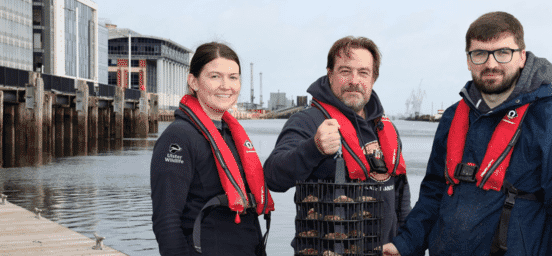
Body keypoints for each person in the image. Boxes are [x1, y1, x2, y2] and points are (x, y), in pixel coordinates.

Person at [383, 11, 552, 256]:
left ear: (522, 58)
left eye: (503, 52)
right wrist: (404, 245)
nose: (491, 64)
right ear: (468, 60)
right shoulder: (453, 117)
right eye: (480, 53)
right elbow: (433, 194)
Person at [264, 36, 411, 250]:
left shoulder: (385, 128)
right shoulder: (308, 121)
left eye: (363, 72)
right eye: (345, 71)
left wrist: (406, 244)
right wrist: (313, 148)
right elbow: (273, 177)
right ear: (330, 74)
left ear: (373, 78)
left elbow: (400, 197)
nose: (354, 80)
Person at [150, 42, 274, 256]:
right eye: (215, 76)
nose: (226, 86)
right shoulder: (178, 137)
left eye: (233, 77)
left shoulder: (231, 135)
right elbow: (166, 222)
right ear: (194, 82)